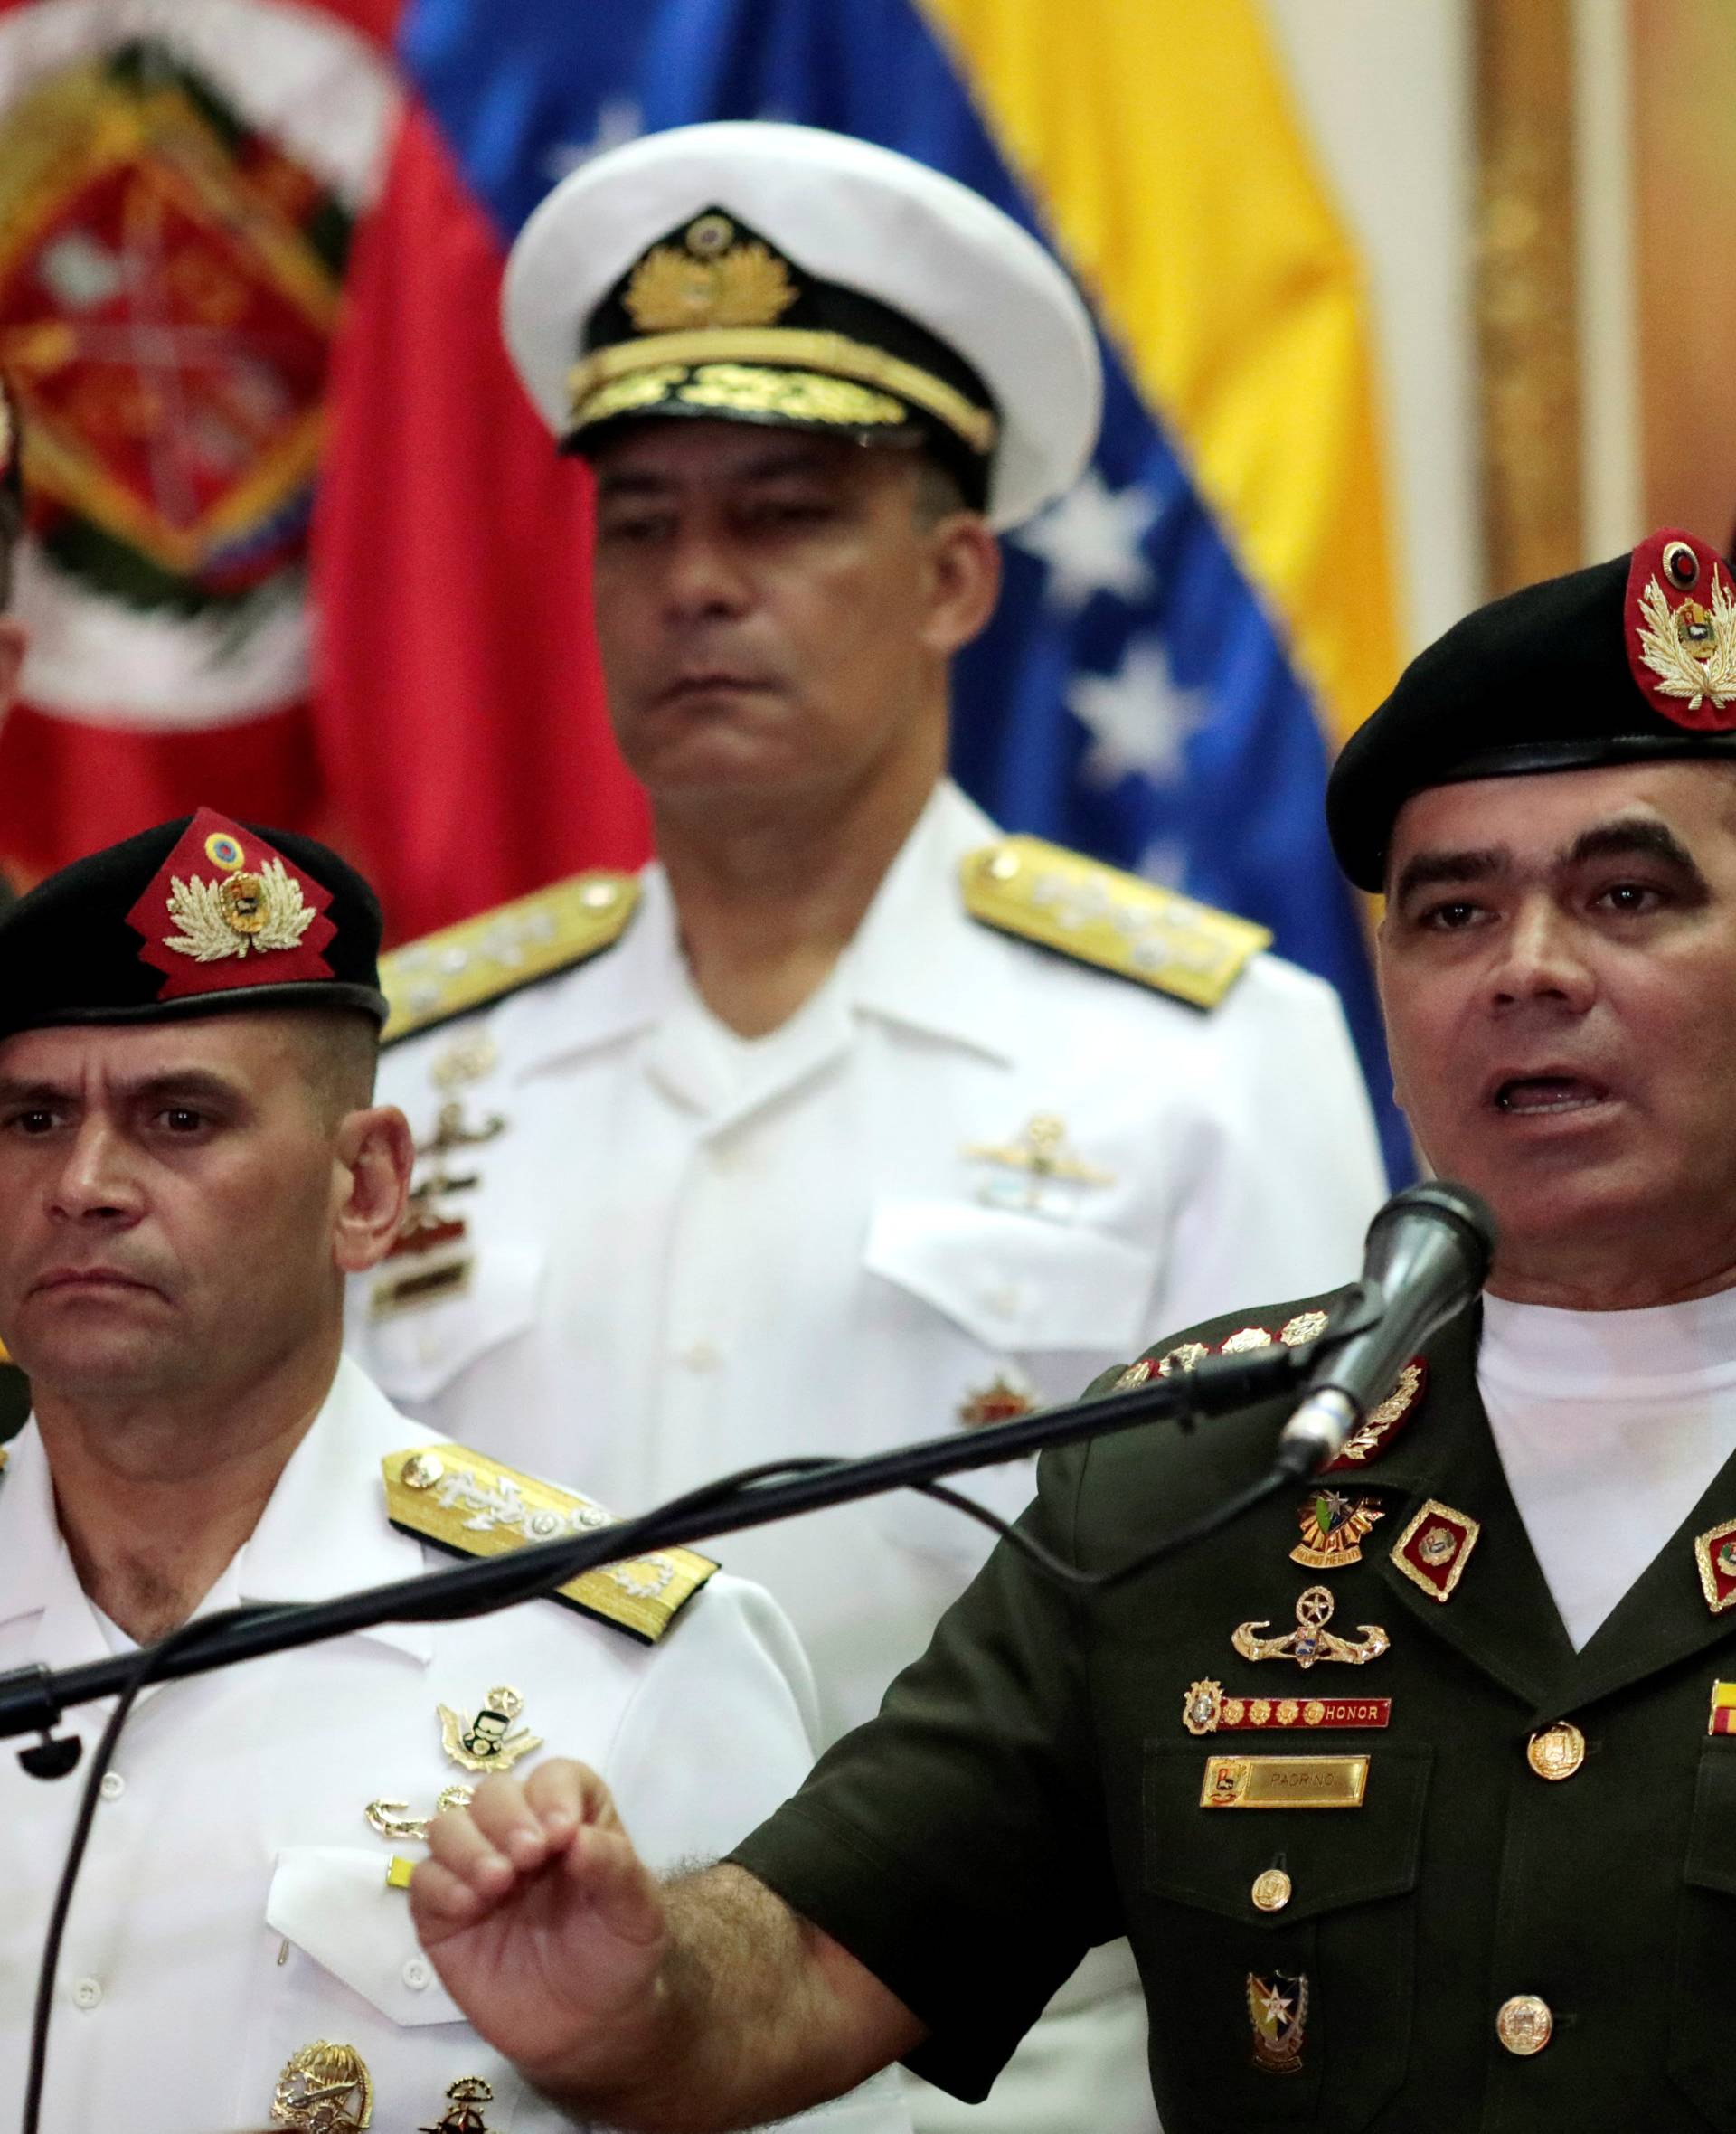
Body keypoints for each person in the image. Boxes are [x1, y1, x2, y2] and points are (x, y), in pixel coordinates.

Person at [408, 525, 1736, 2132]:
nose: (1528, 970)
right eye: (1451, 915)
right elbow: (821, 1957)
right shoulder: (1207, 1468)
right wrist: (641, 1990)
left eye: (1626, 895)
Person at [348, 122, 1387, 2134]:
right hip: (470, 2065)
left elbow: (1305, 1655)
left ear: (954, 575)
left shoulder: (1206, 1055)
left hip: (991, 2089)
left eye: (785, 512)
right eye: (638, 523)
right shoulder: (420, 1060)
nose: (696, 584)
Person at [0, 808, 907, 2134]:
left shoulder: (629, 1659)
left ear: (365, 1189)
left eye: (180, 1117)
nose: (84, 1183)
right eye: (29, 1119)